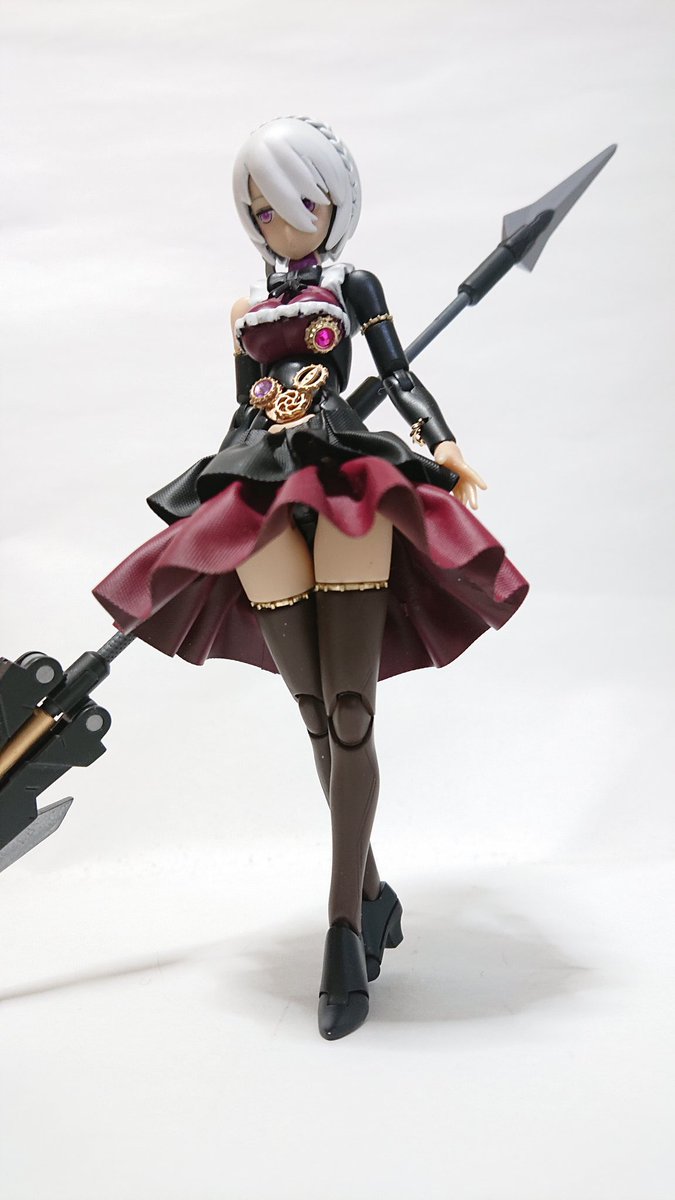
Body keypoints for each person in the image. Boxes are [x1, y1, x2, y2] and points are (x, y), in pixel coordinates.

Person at [94, 116, 528, 1040]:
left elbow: (395, 372)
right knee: (313, 715)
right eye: (258, 206)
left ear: (331, 201)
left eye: (291, 200)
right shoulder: (244, 312)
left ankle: (341, 932)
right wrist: (212, 497)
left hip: (342, 481)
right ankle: (372, 894)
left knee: (349, 712)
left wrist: (441, 440)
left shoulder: (352, 284)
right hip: (260, 480)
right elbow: (240, 412)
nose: (274, 219)